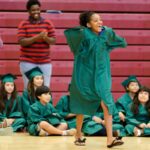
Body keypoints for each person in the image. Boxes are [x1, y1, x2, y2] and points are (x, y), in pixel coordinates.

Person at [64, 11, 127, 147]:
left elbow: (118, 40)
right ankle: (78, 134)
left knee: (107, 103)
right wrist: (85, 31)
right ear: (88, 24)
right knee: (81, 104)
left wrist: (106, 34)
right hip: (85, 74)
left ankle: (110, 139)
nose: (100, 22)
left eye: (100, 20)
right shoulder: (83, 35)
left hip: (102, 74)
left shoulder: (105, 32)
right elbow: (71, 35)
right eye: (95, 20)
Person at [17, 0, 56, 89]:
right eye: (33, 10)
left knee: (45, 88)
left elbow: (53, 40)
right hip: (27, 61)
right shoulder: (23, 24)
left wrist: (45, 38)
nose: (36, 12)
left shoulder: (47, 23)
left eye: (38, 9)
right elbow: (21, 41)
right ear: (28, 11)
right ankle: (29, 104)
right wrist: (37, 37)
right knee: (29, 89)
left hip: (45, 61)